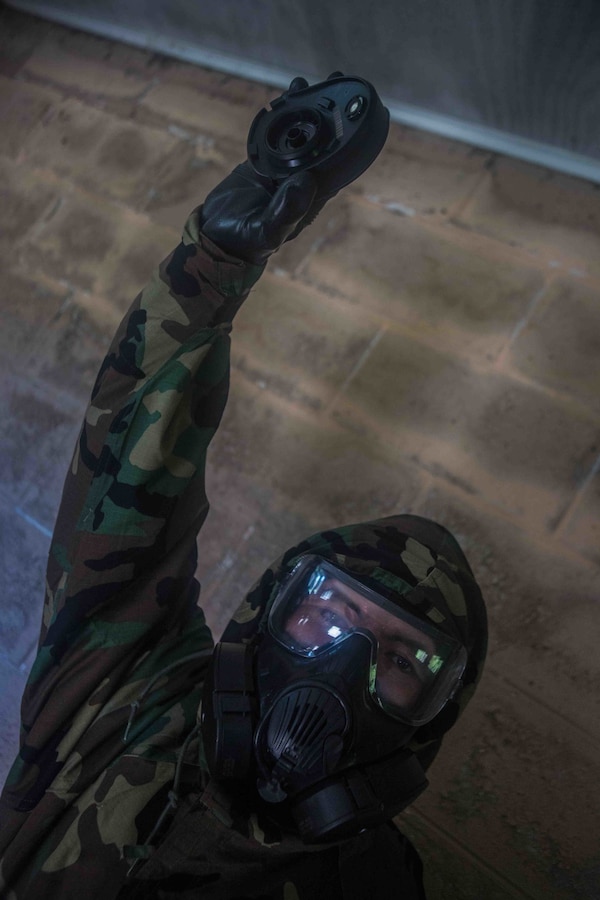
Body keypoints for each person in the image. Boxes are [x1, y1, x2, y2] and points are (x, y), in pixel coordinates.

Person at [0, 117, 487, 899]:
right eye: (328, 618)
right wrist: (214, 263)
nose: (342, 664)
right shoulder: (129, 701)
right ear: (270, 613)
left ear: (430, 718)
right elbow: (129, 479)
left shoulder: (375, 885)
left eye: (401, 662)